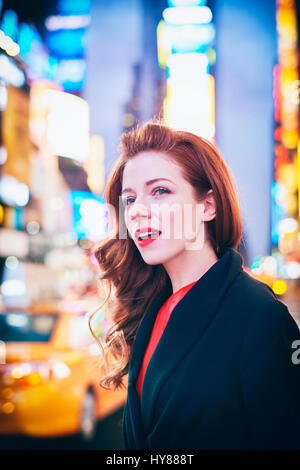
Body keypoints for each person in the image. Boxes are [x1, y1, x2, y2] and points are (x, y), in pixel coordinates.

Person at [91, 120, 300, 450]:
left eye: (160, 191)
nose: (138, 212)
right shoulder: (150, 308)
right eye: (129, 199)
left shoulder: (260, 317)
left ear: (208, 205)